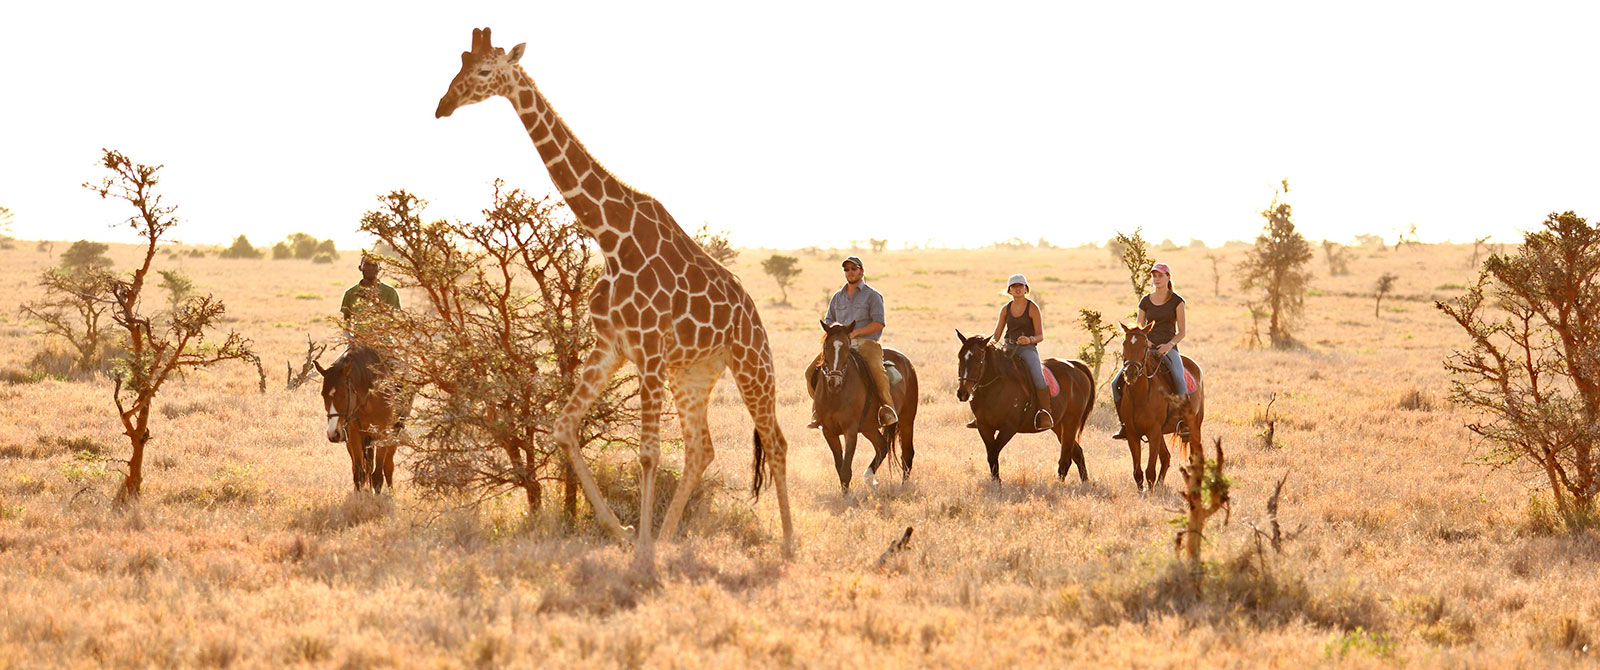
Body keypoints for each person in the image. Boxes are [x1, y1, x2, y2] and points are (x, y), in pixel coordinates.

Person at [808, 255, 898, 428]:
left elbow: (879, 323)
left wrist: (856, 332)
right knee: (810, 372)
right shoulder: (837, 297)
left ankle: (887, 409)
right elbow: (828, 320)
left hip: (866, 342)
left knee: (876, 370)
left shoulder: (873, 296)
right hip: (840, 344)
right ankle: (819, 411)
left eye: (853, 269)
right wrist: (837, 332)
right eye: (846, 269)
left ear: (861, 271)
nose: (850, 272)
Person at [1111, 261, 1188, 440]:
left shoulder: (1177, 301)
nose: (1157, 279)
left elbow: (1182, 332)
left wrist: (1169, 345)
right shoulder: (1145, 301)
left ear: (1168, 277)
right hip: (1146, 349)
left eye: (1160, 275)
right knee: (1115, 383)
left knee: (1178, 378)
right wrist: (1148, 343)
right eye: (1154, 275)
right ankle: (1124, 424)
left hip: (1168, 349)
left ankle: (1183, 422)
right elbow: (1139, 328)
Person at [991, 274, 1053, 431]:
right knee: (989, 371)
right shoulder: (1005, 309)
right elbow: (997, 335)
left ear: (1026, 289)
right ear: (1009, 290)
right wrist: (988, 345)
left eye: (1021, 286)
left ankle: (1045, 413)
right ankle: (985, 413)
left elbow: (1041, 336)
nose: (1017, 289)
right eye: (1014, 286)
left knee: (1038, 377)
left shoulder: (1032, 308)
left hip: (1027, 350)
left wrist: (1029, 339)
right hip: (1008, 348)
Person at [341, 254, 401, 319]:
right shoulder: (350, 293)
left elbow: (395, 320)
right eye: (367, 265)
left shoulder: (390, 293)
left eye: (374, 265)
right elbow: (346, 323)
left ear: (379, 269)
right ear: (360, 268)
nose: (370, 268)